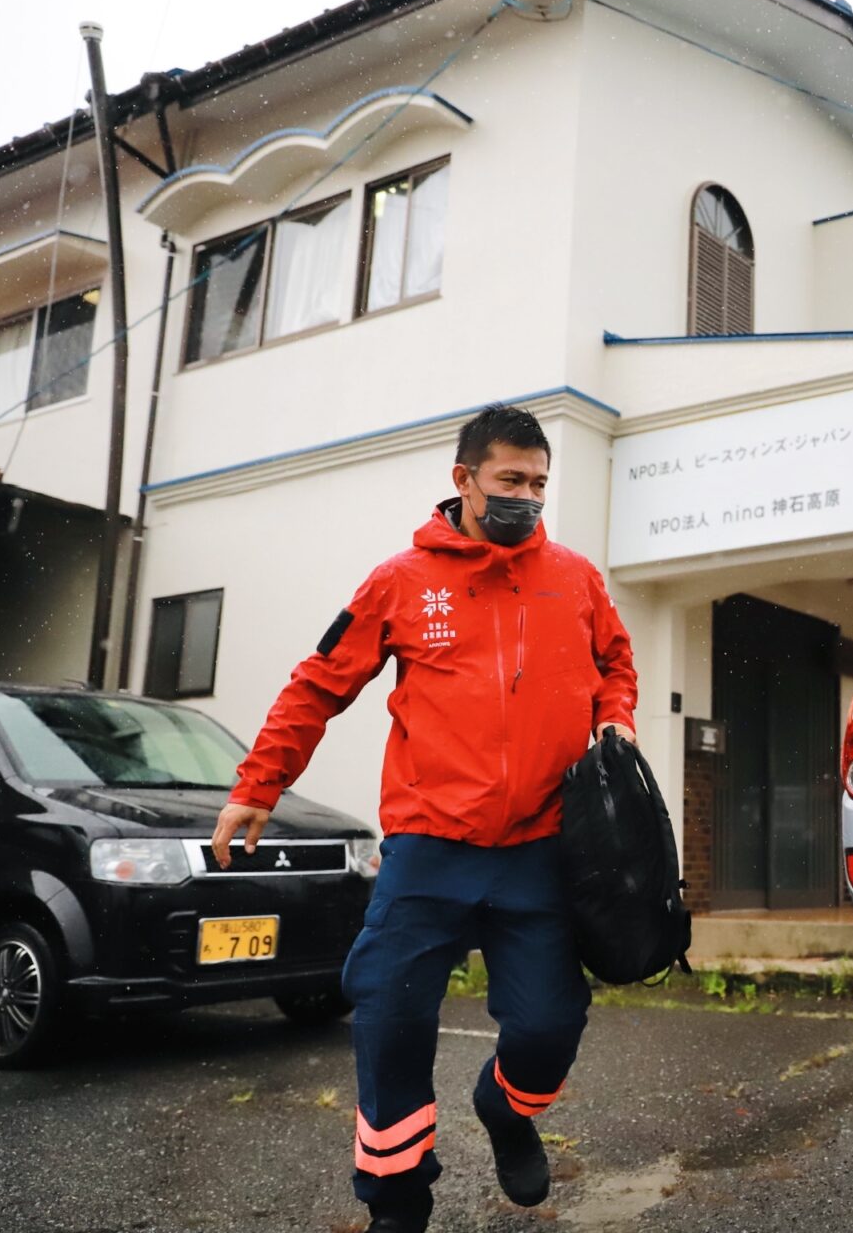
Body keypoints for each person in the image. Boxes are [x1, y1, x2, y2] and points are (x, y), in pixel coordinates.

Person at [211, 404, 637, 1233]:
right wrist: (259, 783)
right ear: (464, 479)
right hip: (429, 849)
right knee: (390, 1021)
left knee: (551, 1027)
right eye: (510, 480)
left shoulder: (575, 578)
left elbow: (614, 661)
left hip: (540, 851)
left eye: (539, 484)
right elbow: (319, 682)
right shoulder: (401, 581)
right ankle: (398, 1205)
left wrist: (613, 716)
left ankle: (507, 1111)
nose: (526, 498)